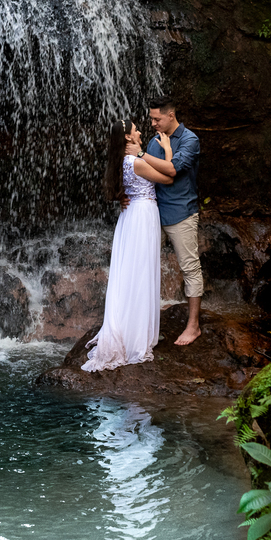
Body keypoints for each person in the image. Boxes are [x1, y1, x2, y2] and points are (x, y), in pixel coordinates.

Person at [82, 119, 174, 372]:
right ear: (128, 138)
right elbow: (169, 177)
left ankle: (131, 326)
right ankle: (136, 336)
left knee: (130, 273)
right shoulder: (137, 163)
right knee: (141, 272)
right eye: (136, 130)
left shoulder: (120, 163)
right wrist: (167, 148)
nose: (141, 131)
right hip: (142, 216)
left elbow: (118, 190)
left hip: (131, 216)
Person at [131, 96, 203, 345]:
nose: (152, 123)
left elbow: (173, 169)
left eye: (157, 118)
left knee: (190, 268)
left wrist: (139, 152)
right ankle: (140, 322)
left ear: (171, 116)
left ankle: (193, 326)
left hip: (180, 212)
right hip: (151, 214)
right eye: (151, 118)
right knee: (143, 267)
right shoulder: (153, 142)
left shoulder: (189, 140)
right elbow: (141, 173)